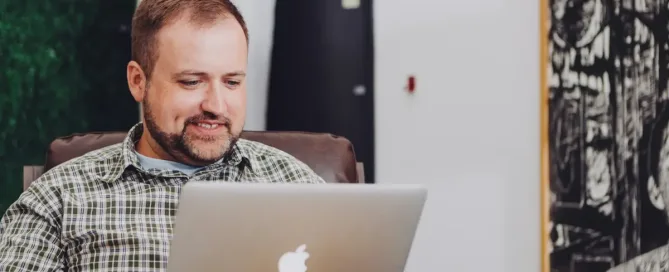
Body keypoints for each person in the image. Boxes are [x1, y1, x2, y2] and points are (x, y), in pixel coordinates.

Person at [0, 0, 325, 271]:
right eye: (191, 81)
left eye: (232, 82)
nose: (216, 105)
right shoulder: (57, 199)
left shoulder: (297, 184)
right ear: (138, 81)